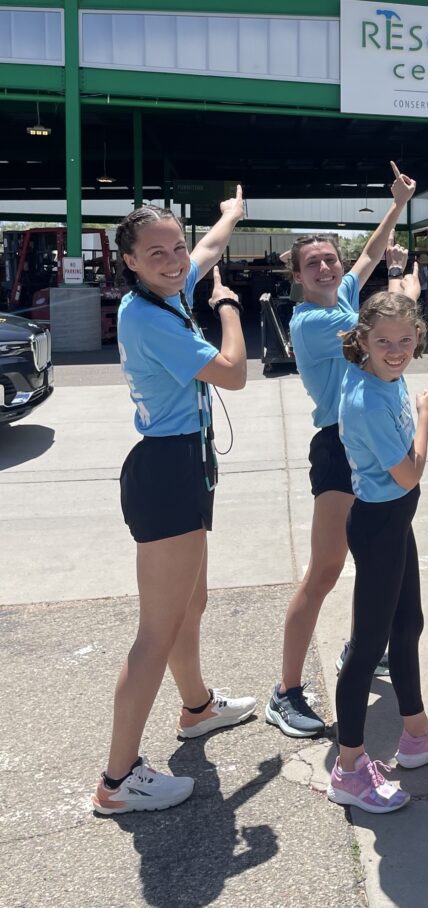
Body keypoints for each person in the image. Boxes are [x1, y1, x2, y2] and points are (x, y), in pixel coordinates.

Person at [92, 189, 256, 815]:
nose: (174, 259)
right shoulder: (152, 317)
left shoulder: (167, 293)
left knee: (193, 603)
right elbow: (235, 374)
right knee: (155, 632)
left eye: (177, 247)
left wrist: (230, 217)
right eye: (155, 253)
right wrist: (232, 308)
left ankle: (198, 709)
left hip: (186, 466)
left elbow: (208, 252)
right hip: (166, 472)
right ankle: (117, 781)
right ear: (129, 262)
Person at [265, 163, 418, 738]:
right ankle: (286, 691)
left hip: (372, 438)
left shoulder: (346, 289)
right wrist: (404, 293)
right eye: (315, 263)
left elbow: (369, 257)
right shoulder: (310, 321)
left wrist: (397, 204)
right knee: (326, 570)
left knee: (377, 561)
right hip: (338, 446)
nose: (328, 267)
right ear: (299, 277)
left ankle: (366, 646)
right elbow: (378, 330)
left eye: (331, 258)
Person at [328, 292, 428, 813]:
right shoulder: (369, 396)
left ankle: (415, 735)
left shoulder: (384, 375)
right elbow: (409, 473)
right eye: (383, 341)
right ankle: (348, 768)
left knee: (406, 625)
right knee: (367, 649)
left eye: (406, 340)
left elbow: (397, 299)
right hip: (378, 523)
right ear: (361, 340)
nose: (396, 350)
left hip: (395, 521)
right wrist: (426, 414)